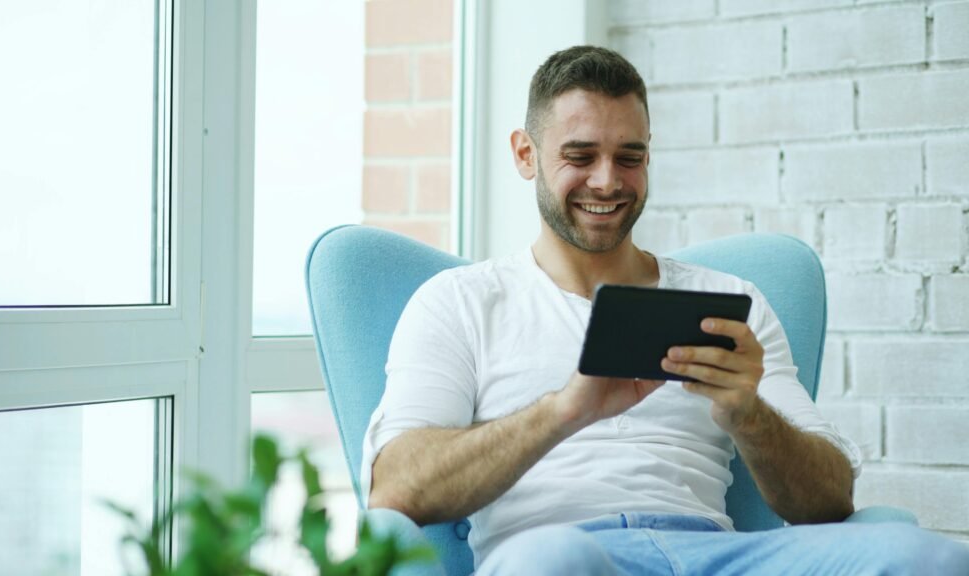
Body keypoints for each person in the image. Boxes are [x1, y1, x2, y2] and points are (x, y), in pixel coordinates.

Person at [360, 45, 969, 575]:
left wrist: (748, 414)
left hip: (716, 556)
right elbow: (397, 486)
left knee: (931, 559)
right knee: (549, 564)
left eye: (630, 156)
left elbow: (830, 503)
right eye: (579, 155)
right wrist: (563, 412)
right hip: (565, 555)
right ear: (525, 155)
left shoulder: (733, 303)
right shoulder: (460, 303)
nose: (607, 181)